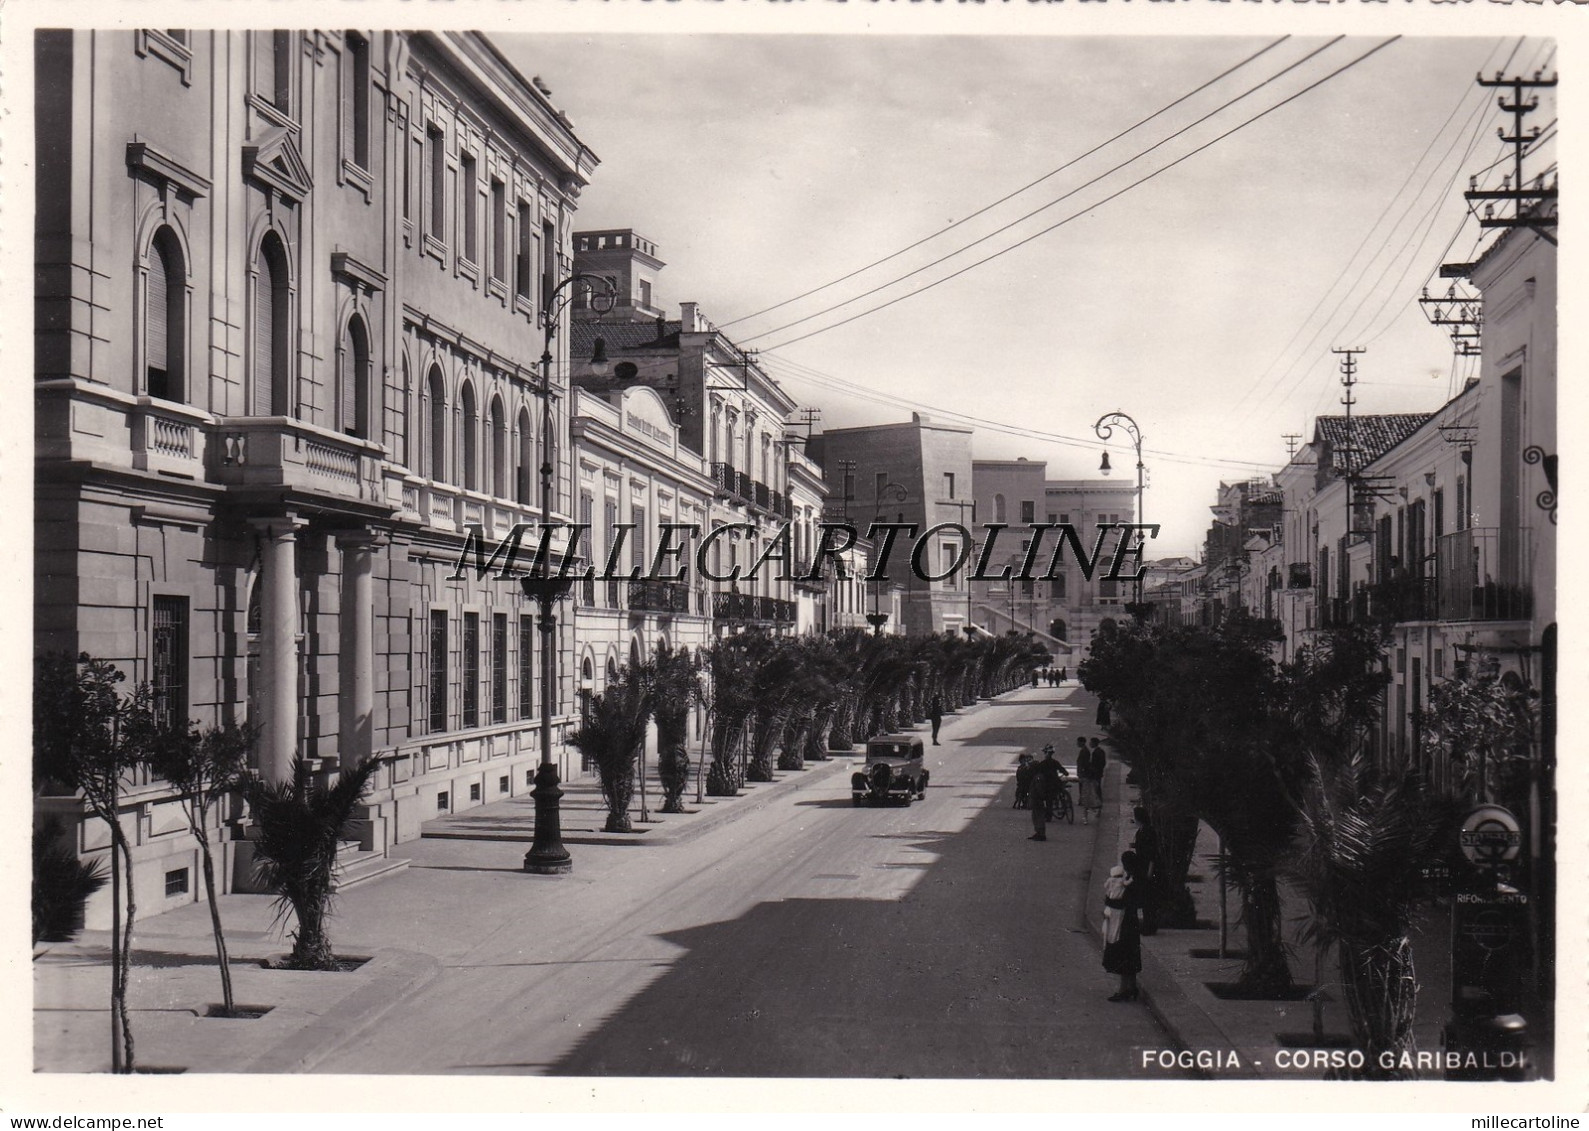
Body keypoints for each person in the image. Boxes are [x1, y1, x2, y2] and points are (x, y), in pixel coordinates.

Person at [1101, 850, 1143, 1001]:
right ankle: (1131, 987)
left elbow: (1122, 902)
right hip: (1131, 922)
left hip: (1125, 923)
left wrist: (1109, 901)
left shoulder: (1131, 881)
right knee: (1130, 956)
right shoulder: (1134, 878)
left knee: (1124, 955)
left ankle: (1123, 989)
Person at [1131, 806, 1162, 935]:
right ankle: (1147, 924)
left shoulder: (1149, 832)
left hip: (1148, 868)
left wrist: (1150, 871)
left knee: (1149, 899)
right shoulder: (1141, 831)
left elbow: (1152, 854)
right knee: (1144, 898)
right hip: (1141, 868)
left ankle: (1150, 926)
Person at [1078, 737, 1105, 824]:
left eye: (1091, 742)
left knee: (1092, 793)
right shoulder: (1100, 752)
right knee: (1096, 791)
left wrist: (1089, 773)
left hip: (1093, 776)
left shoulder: (1094, 753)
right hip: (1096, 775)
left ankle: (1092, 811)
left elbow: (1092, 765)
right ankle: (1096, 810)